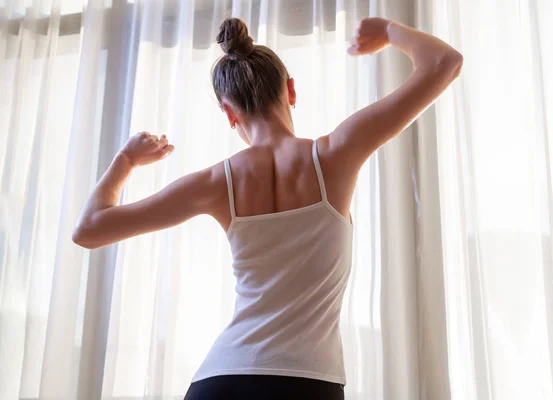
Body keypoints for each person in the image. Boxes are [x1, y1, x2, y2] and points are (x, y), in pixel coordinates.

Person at [72, 16, 462, 400]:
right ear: (291, 90)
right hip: (310, 381)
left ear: (229, 113)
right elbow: (445, 62)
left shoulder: (215, 183)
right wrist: (389, 31)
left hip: (221, 379)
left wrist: (126, 160)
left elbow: (89, 229)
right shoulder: (337, 154)